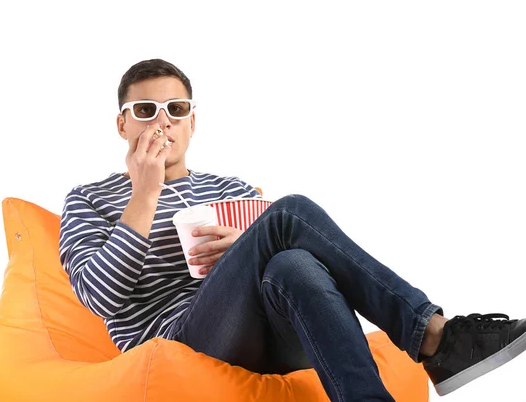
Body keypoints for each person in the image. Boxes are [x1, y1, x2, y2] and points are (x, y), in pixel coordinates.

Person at [59, 58, 526, 400]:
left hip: (267, 328)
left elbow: (279, 263)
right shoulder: (88, 199)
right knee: (290, 213)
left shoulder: (230, 187)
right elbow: (98, 298)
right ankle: (434, 335)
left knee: (293, 262)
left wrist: (246, 248)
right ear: (122, 124)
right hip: (175, 342)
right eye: (145, 111)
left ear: (193, 122)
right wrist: (144, 193)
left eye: (176, 109)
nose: (163, 121)